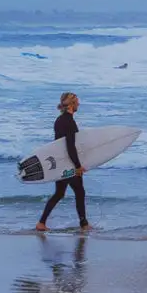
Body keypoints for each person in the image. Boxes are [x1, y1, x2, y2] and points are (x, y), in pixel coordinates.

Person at [36, 92, 91, 232]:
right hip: (68, 163)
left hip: (60, 162)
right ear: (72, 104)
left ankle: (41, 223)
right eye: (77, 102)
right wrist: (77, 166)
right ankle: (84, 225)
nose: (79, 104)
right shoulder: (69, 122)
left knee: (60, 193)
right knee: (79, 191)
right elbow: (70, 146)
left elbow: (59, 145)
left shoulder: (60, 120)